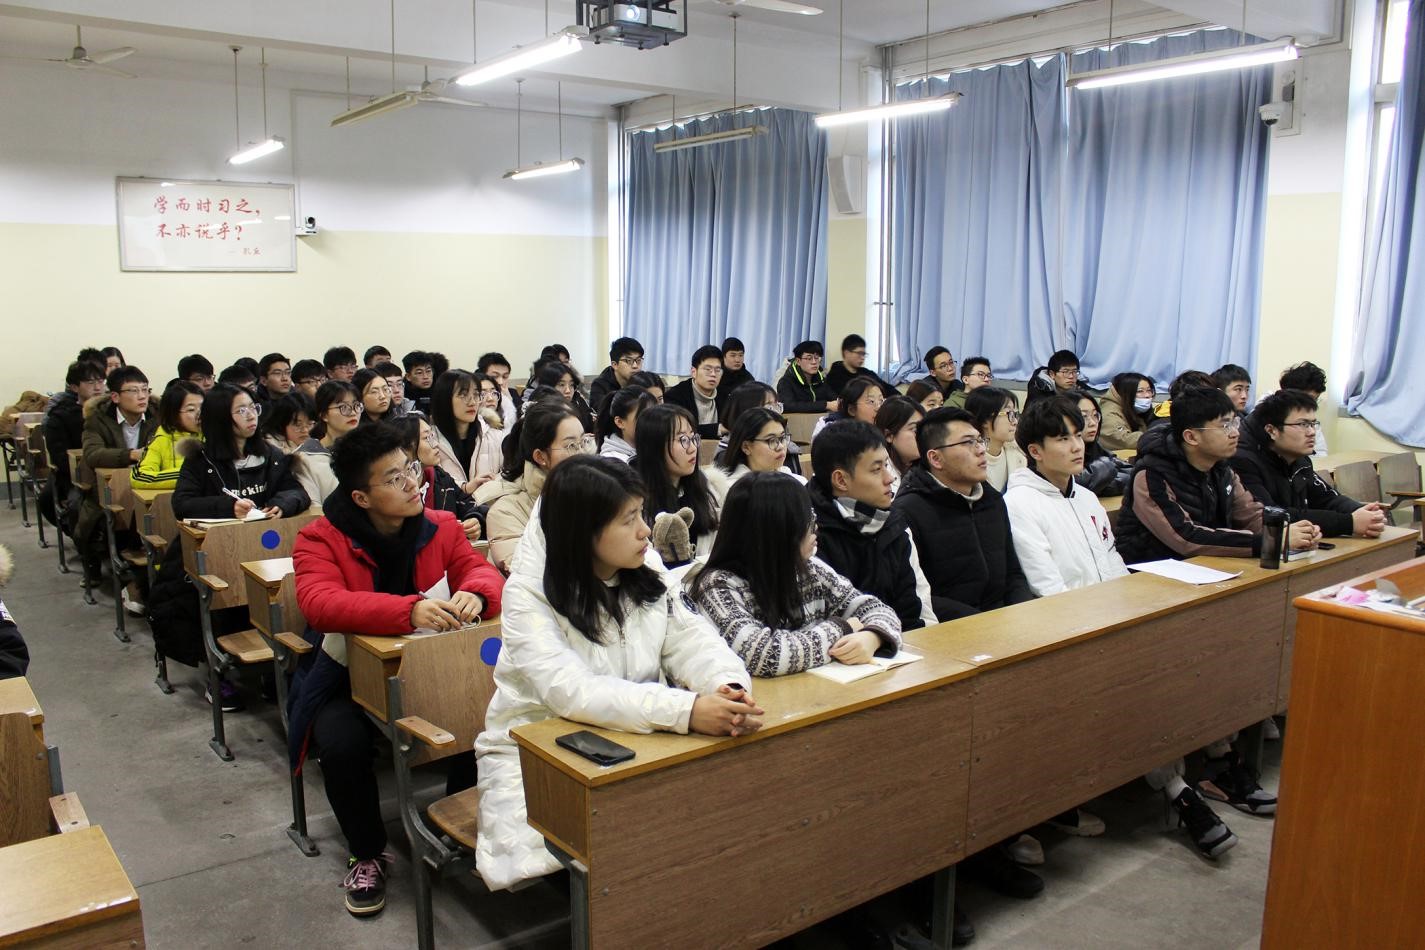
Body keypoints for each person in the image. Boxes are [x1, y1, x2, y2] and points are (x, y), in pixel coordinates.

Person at [475, 455, 757, 891]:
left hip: (638, 734)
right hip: (541, 752)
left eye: (642, 513)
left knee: (721, 825)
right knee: (622, 865)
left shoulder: (643, 566)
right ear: (583, 531)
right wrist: (685, 711)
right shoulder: (529, 595)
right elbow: (573, 692)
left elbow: (691, 638)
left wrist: (726, 685)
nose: (645, 530)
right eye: (628, 520)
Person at [1003, 397, 1232, 860]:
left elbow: (1114, 567)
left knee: (1187, 661)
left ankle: (1206, 769)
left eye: (1077, 434)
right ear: (1035, 450)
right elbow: (1048, 591)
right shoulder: (1019, 503)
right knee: (1140, 685)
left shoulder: (1086, 497)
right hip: (1066, 634)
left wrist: (1133, 620)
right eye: (1062, 438)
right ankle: (1179, 793)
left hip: (1112, 623)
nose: (1077, 445)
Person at [289, 423, 502, 915]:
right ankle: (366, 853)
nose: (412, 482)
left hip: (432, 667)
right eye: (394, 478)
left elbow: (481, 570)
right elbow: (320, 603)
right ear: (361, 497)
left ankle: (456, 825)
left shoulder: (440, 525)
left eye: (410, 468)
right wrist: (408, 611)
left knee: (482, 713)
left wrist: (476, 592)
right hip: (347, 672)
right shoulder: (321, 538)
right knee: (341, 743)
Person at [693, 471, 902, 677]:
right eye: (806, 520)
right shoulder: (717, 586)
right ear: (776, 530)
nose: (815, 527)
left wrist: (873, 636)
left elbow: (876, 609)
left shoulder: (809, 568)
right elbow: (765, 656)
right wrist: (844, 628)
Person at [1115, 386, 1318, 565]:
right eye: (1225, 426)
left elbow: (1250, 516)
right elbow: (1185, 538)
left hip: (1208, 566)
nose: (1235, 433)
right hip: (1152, 573)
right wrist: (1271, 540)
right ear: (1191, 436)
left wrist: (1287, 532)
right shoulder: (1151, 474)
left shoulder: (1222, 469)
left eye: (1235, 423)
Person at [892, 407, 1035, 620]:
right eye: (968, 442)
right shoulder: (907, 512)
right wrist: (983, 623)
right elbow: (917, 595)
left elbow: (1013, 573)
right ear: (936, 458)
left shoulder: (992, 500)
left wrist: (1023, 614)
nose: (980, 450)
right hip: (952, 628)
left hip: (1004, 621)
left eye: (980, 440)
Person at [807, 421, 935, 630]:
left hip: (902, 640)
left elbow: (916, 607)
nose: (889, 478)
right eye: (876, 469)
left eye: (886, 465)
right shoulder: (808, 537)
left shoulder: (894, 523)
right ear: (841, 480)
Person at [1231, 389, 1387, 539]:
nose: (1312, 432)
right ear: (1272, 430)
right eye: (1303, 424)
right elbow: (1272, 515)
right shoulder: (1243, 462)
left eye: (1313, 424)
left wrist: (1363, 511)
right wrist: (1349, 522)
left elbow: (1327, 498)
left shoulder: (1299, 459)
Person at [475, 400, 590, 570]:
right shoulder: (505, 511)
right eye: (571, 445)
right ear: (540, 457)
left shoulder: (597, 490)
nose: (582, 453)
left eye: (583, 442)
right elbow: (524, 571)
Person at [79, 366, 160, 588]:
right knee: (89, 524)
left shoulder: (158, 416)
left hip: (150, 484)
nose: (142, 396)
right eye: (133, 391)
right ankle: (96, 567)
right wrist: (131, 455)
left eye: (145, 389)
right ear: (115, 397)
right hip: (110, 487)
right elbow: (93, 454)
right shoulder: (97, 420)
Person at [632, 404, 727, 566]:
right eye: (683, 439)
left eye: (693, 437)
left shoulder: (708, 489)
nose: (693, 448)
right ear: (654, 446)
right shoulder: (636, 502)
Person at [394, 416, 484, 542]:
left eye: (433, 436)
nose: (436, 444)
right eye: (427, 438)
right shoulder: (394, 489)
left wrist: (474, 520)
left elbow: (468, 504)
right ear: (406, 447)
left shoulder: (440, 477)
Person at [429, 370, 503, 496]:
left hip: (489, 505)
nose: (472, 402)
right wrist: (464, 488)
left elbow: (508, 475)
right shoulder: (430, 442)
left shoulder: (494, 436)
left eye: (476, 395)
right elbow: (431, 485)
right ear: (444, 399)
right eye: (463, 395)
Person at [43, 359, 107, 502]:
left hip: (111, 473)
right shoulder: (60, 416)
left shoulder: (112, 411)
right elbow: (61, 459)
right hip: (76, 478)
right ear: (74, 387)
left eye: (101, 381)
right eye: (90, 382)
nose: (98, 387)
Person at [292, 381, 362, 507]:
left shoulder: (370, 448)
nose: (353, 412)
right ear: (324, 415)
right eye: (343, 407)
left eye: (356, 405)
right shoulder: (305, 458)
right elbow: (313, 508)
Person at [131, 381, 204, 491]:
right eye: (191, 410)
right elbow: (139, 477)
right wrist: (189, 475)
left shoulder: (213, 436)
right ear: (174, 414)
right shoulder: (161, 439)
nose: (200, 415)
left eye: (203, 408)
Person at [716, 406, 803, 486]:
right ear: (746, 447)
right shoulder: (730, 489)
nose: (780, 446)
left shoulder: (799, 482)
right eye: (771, 440)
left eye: (782, 438)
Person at [965, 386, 1026, 492]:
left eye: (1015, 414)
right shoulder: (969, 463)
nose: (1015, 421)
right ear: (985, 420)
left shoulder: (1018, 454)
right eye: (1009, 414)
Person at [1071, 391, 1131, 497]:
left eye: (1095, 415)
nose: (1093, 423)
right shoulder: (1059, 455)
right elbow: (1077, 485)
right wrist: (1108, 467)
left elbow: (1131, 473)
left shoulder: (1095, 447)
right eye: (1084, 416)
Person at [663, 345, 726, 439]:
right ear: (694, 372)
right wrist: (719, 429)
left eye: (717, 370)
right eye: (708, 369)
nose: (713, 374)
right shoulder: (675, 396)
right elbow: (679, 429)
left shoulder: (725, 396)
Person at [811, 375, 886, 441]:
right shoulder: (829, 429)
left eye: (881, 401)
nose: (878, 408)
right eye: (871, 401)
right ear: (852, 410)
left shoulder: (886, 428)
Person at [875, 396, 924, 497]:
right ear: (888, 435)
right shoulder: (879, 473)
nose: (923, 435)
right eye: (915, 430)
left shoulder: (925, 467)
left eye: (924, 429)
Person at [824, 333, 897, 399]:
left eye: (864, 354)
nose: (862, 357)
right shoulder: (835, 376)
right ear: (846, 353)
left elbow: (886, 388)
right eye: (859, 353)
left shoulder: (866, 373)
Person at [1279, 361, 1330, 455]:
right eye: (1309, 399)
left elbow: (1321, 453)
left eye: (1316, 400)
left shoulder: (1312, 421)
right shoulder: (1269, 414)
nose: (1312, 405)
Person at [596, 386, 656, 464]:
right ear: (620, 422)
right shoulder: (611, 462)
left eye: (654, 416)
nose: (652, 422)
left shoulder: (652, 447)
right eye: (644, 417)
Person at [776, 340, 838, 414]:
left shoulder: (821, 380)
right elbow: (788, 406)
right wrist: (825, 405)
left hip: (818, 419)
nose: (814, 362)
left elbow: (834, 398)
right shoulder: (786, 382)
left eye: (817, 357)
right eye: (809, 358)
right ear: (798, 361)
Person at [1099, 373, 1156, 452]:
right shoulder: (1109, 413)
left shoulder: (1133, 407)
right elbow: (1124, 440)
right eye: (1140, 391)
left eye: (1149, 390)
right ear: (1125, 393)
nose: (1147, 395)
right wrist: (1157, 437)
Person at [588, 336, 644, 413]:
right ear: (615, 365)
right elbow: (603, 413)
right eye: (629, 361)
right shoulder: (600, 385)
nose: (635, 366)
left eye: (638, 360)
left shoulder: (643, 381)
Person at [477, 352, 520, 427]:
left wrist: (509, 400)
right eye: (494, 376)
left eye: (505, 377)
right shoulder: (475, 394)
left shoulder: (512, 393)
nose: (500, 382)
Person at [401, 351, 436, 416]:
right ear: (408, 376)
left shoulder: (440, 391)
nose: (425, 377)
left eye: (428, 371)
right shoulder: (402, 395)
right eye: (419, 373)